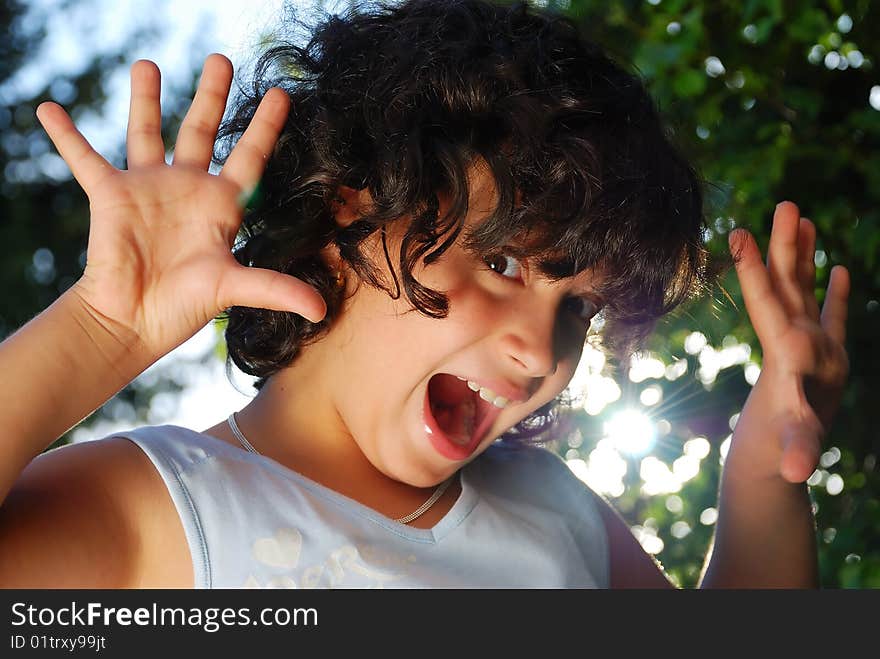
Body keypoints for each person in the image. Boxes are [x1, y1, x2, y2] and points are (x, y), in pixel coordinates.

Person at [0, 0, 849, 589]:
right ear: (354, 201)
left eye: (576, 310)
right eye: (508, 264)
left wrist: (767, 457)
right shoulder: (166, 508)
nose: (539, 351)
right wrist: (100, 328)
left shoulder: (554, 511)